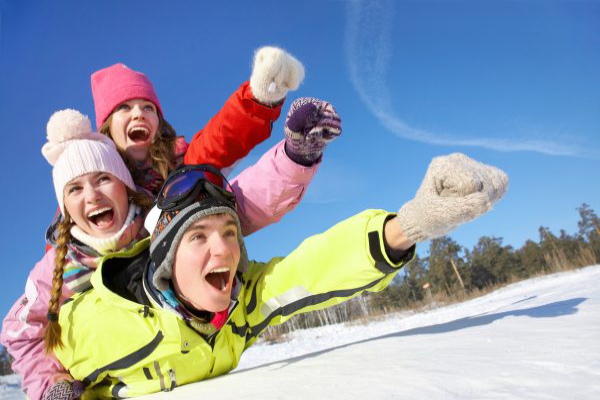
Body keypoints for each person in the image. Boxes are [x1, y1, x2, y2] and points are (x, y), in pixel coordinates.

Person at [52, 153, 508, 398]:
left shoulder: (241, 308)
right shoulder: (105, 322)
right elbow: (57, 359)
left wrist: (407, 227)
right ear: (167, 259)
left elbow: (311, 270)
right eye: (199, 237)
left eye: (231, 232)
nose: (224, 249)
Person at [1, 87, 340, 400]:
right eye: (74, 189)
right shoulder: (56, 267)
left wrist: (295, 157)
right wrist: (52, 385)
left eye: (103, 179)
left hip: (183, 365)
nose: (91, 195)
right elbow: (20, 333)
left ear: (125, 186)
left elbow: (240, 200)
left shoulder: (157, 222)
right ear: (65, 208)